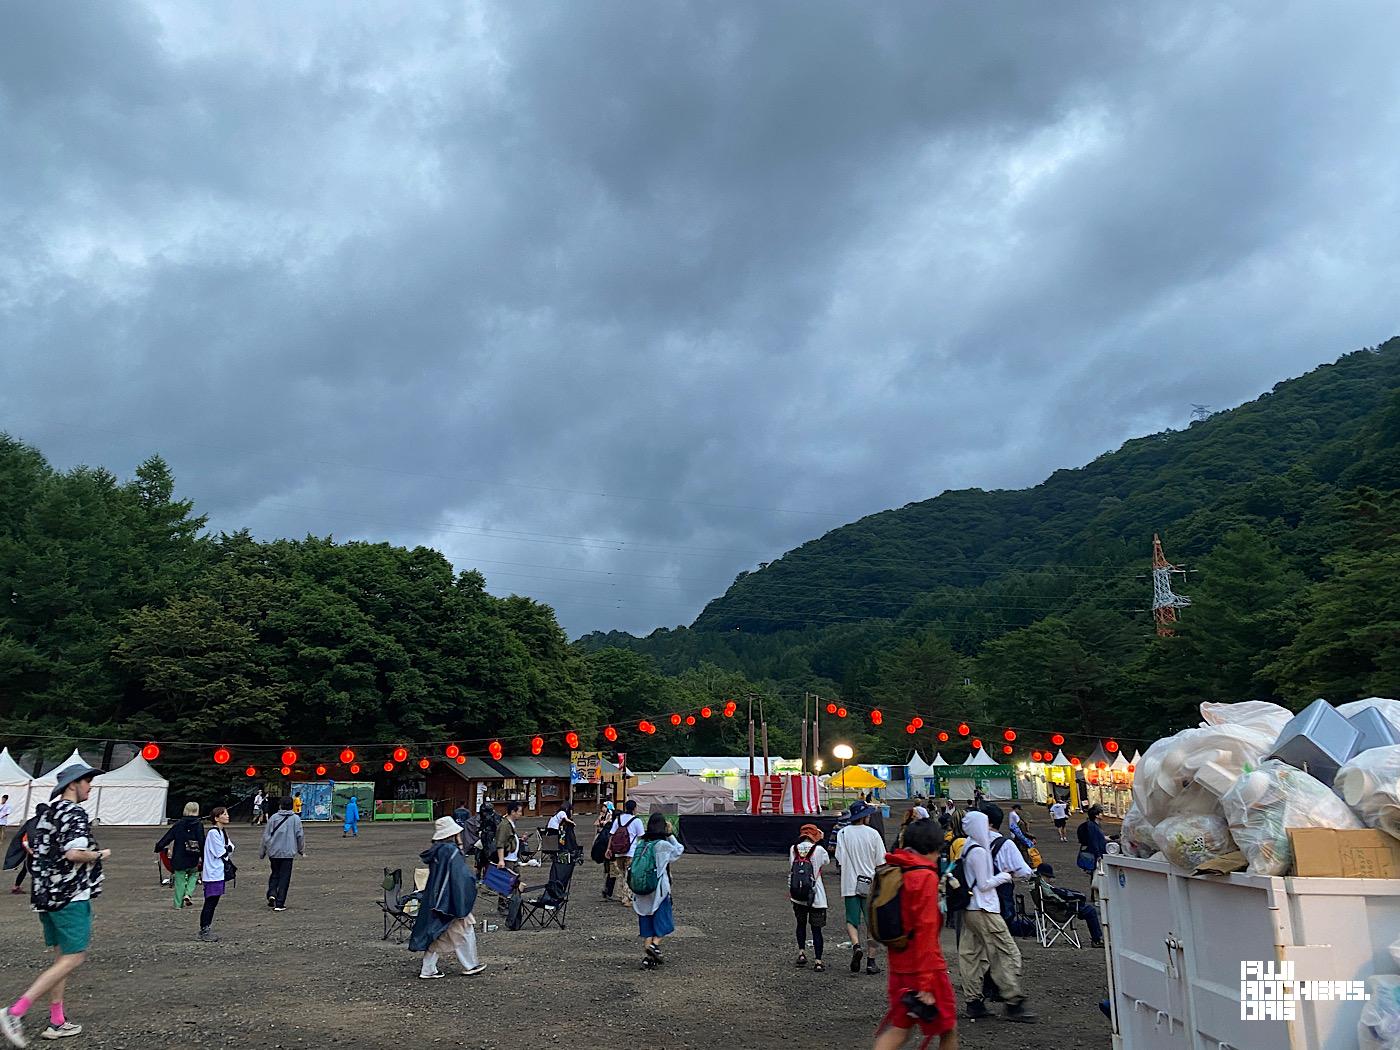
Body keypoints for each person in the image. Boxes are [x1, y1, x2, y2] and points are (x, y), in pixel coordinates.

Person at [1, 762, 112, 1046]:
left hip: (45, 895)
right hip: (70, 894)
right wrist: (99, 854)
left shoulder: (49, 812)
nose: (90, 786)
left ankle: (57, 1020)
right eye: (87, 781)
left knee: (62, 957)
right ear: (73, 785)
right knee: (74, 957)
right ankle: (15, 1011)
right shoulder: (75, 812)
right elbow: (74, 852)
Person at [873, 819, 958, 1050]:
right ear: (933, 848)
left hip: (898, 964)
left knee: (900, 1029)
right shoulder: (925, 877)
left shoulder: (897, 869)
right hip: (925, 968)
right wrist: (925, 984)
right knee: (948, 1028)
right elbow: (926, 931)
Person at [957, 810, 1036, 1022]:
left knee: (971, 955)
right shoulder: (981, 850)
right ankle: (1013, 1001)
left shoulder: (966, 846)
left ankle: (973, 1001)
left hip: (970, 908)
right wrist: (1004, 876)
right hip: (986, 908)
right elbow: (985, 884)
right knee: (1004, 951)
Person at [410, 817, 485, 979]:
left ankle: (428, 970)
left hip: (437, 898)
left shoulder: (437, 850)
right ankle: (470, 965)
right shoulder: (451, 851)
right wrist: (471, 885)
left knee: (439, 934)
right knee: (464, 930)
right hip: (450, 899)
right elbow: (460, 877)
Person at [836, 801, 886, 976]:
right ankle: (871, 962)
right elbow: (881, 861)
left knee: (852, 920)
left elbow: (840, 859)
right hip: (870, 883)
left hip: (850, 882)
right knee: (872, 923)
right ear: (864, 817)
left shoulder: (842, 833)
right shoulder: (873, 834)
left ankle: (856, 946)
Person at [632, 813, 684, 970]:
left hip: (641, 891)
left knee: (648, 925)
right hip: (659, 890)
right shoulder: (662, 845)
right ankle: (654, 946)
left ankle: (649, 958)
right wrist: (669, 834)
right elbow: (679, 850)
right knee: (663, 922)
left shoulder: (641, 844)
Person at [788, 824, 830, 972]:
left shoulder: (793, 849)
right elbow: (826, 862)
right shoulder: (819, 850)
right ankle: (818, 961)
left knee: (801, 924)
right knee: (816, 929)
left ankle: (801, 952)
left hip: (797, 895)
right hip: (816, 895)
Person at [1036, 864, 1104, 947]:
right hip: (1060, 911)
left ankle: (1096, 938)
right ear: (1042, 875)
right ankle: (1096, 939)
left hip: (1051, 909)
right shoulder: (1044, 886)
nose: (1050, 879)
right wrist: (1068, 900)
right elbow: (1057, 899)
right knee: (1090, 911)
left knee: (1088, 909)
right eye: (1048, 877)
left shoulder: (1038, 884)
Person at [154, 802, 205, 910]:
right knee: (194, 874)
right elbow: (201, 841)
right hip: (193, 856)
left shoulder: (179, 824)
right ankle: (188, 894)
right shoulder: (199, 825)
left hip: (179, 857)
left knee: (180, 881)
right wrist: (204, 857)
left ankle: (178, 905)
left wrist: (158, 847)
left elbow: (168, 837)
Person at [259, 796, 305, 911]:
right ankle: (280, 903)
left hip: (274, 852)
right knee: (285, 877)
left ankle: (272, 893)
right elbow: (300, 836)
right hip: (288, 852)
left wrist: (262, 852)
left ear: (280, 805)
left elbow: (266, 836)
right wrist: (301, 850)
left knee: (275, 873)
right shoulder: (296, 819)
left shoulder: (274, 818)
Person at [199, 807, 233, 943]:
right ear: (216, 818)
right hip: (212, 873)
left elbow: (230, 848)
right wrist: (227, 849)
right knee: (210, 902)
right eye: (224, 814)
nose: (227, 816)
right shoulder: (213, 833)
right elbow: (222, 852)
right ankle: (204, 929)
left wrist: (227, 849)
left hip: (218, 873)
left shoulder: (221, 832)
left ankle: (206, 927)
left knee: (213, 902)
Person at [604, 799, 643, 906]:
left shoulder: (618, 820)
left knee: (621, 874)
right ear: (635, 808)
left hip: (618, 851)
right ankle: (627, 898)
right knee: (629, 875)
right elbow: (641, 836)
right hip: (631, 851)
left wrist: (609, 849)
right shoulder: (636, 821)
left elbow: (612, 835)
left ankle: (621, 895)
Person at [5, 805, 45, 897]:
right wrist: (30, 850)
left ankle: (17, 886)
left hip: (36, 851)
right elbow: (25, 838)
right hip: (34, 852)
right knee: (32, 869)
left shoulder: (33, 822)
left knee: (27, 869)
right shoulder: (34, 823)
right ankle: (23, 887)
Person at [1077, 805, 1108, 874]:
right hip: (1095, 854)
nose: (1102, 814)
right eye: (1101, 813)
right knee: (1096, 874)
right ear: (1096, 815)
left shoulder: (1094, 825)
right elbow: (1094, 840)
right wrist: (1098, 855)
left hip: (1096, 853)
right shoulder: (1093, 826)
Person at [495, 801, 522, 876]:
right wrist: (501, 860)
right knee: (509, 882)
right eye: (519, 811)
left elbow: (510, 838)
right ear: (513, 812)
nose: (520, 814)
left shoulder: (511, 823)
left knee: (516, 881)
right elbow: (500, 843)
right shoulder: (504, 825)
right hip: (507, 859)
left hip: (513, 858)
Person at [474, 800, 498, 880]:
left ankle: (487, 877)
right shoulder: (482, 817)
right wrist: (479, 831)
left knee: (489, 860)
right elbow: (478, 827)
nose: (484, 814)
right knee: (479, 860)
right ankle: (478, 877)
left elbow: (499, 829)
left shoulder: (495, 817)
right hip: (482, 841)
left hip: (491, 842)